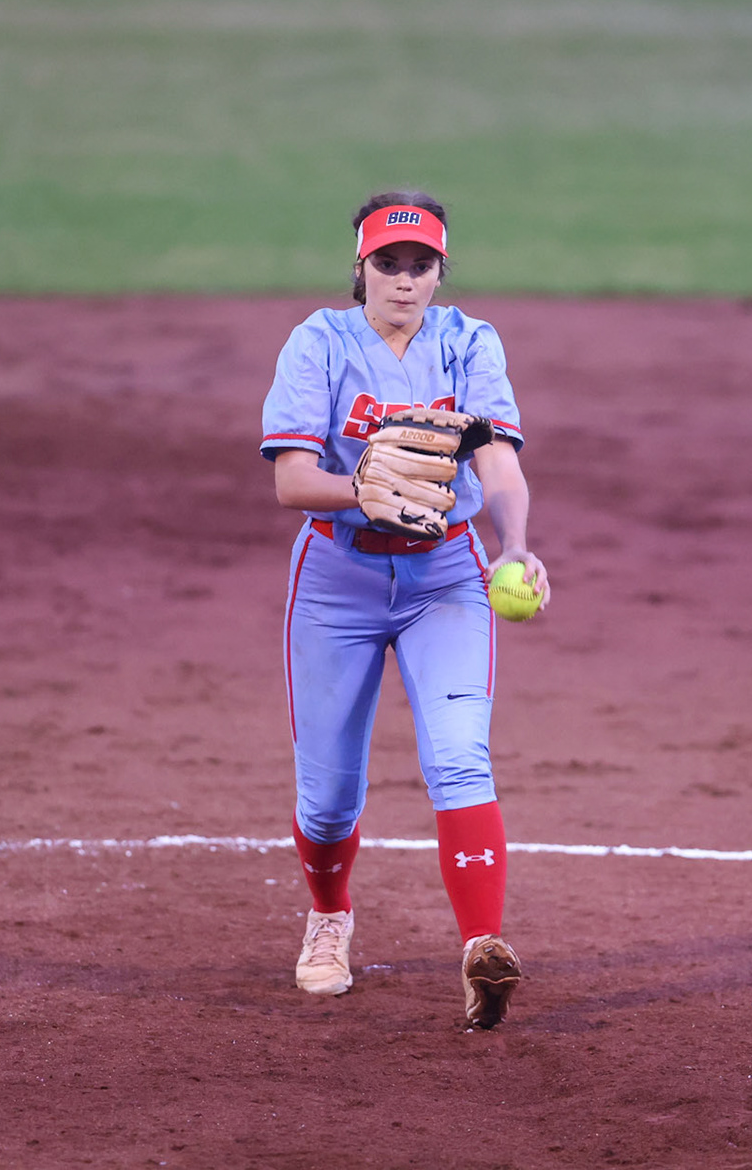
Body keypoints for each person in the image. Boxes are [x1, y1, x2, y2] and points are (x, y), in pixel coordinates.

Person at [259, 192, 551, 1030]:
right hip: (337, 580)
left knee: (461, 759)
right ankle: (329, 916)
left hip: (447, 578)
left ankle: (481, 950)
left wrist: (515, 544)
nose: (405, 279)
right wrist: (362, 489)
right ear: (361, 268)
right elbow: (289, 481)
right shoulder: (318, 341)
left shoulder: (468, 343)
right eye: (388, 263)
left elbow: (496, 461)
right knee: (327, 800)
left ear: (439, 272)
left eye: (421, 265)